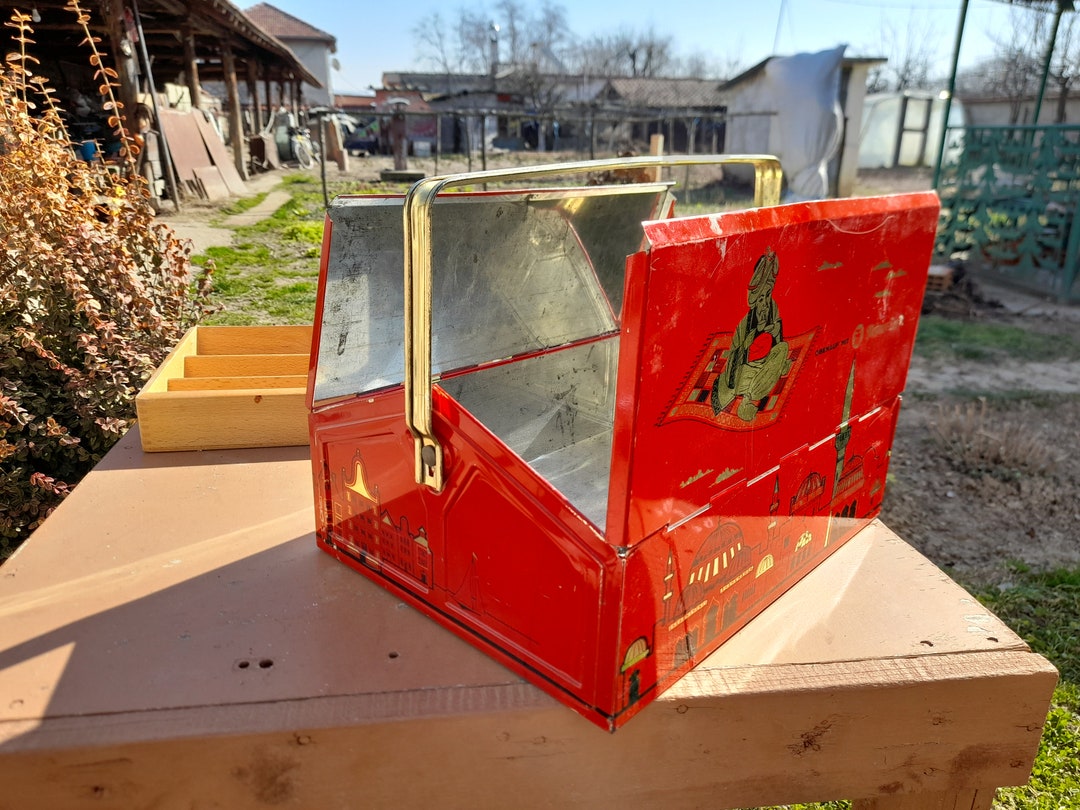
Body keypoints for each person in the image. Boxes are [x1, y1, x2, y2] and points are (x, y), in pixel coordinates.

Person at [711, 248, 792, 422]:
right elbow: (735, 358)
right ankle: (749, 393)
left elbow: (779, 342)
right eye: (761, 299)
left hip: (765, 363)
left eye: (767, 296)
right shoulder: (745, 324)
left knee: (783, 349)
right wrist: (753, 348)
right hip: (744, 370)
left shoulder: (773, 308)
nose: (764, 303)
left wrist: (774, 332)